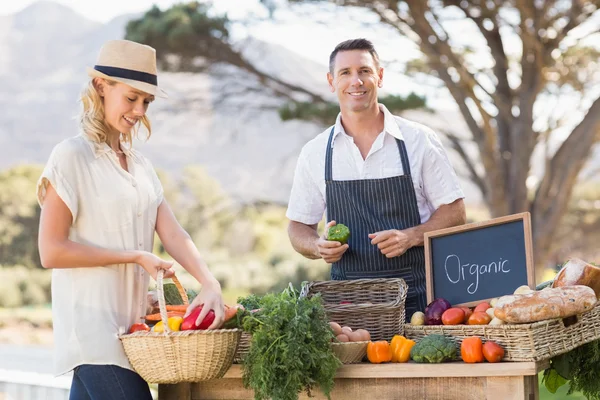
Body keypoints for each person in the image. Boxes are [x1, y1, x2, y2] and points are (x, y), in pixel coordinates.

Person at [37, 40, 225, 400]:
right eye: (132, 98)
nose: (139, 110)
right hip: (94, 332)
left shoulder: (139, 166)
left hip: (132, 333)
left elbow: (172, 232)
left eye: (147, 102)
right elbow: (51, 251)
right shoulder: (70, 157)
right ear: (101, 87)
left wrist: (209, 282)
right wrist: (135, 257)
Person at [286, 38, 466, 319]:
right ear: (331, 81)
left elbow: (455, 212)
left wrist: (411, 236)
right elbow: (298, 227)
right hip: (347, 310)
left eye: (364, 71)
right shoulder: (315, 152)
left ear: (379, 76)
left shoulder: (419, 140)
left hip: (420, 303)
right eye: (345, 73)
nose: (355, 81)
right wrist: (317, 246)